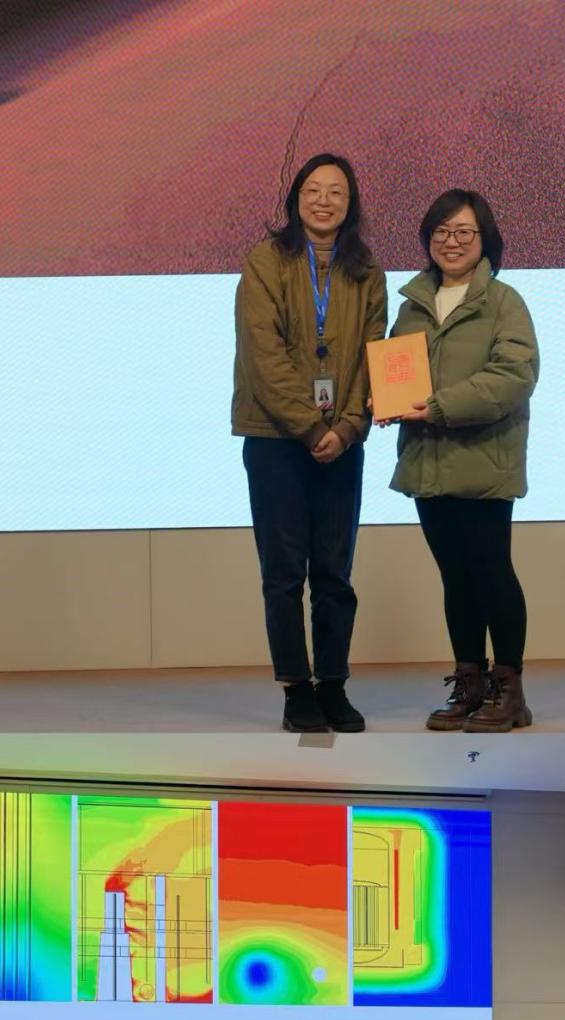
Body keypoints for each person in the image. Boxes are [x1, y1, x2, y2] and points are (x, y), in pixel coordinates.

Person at [233, 153, 386, 734]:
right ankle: (296, 690)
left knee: (334, 571)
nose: (324, 201)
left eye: (336, 192)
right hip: (274, 437)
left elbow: (375, 353)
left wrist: (347, 427)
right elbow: (263, 355)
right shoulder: (265, 261)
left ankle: (334, 686)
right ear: (296, 198)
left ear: (351, 203)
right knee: (282, 572)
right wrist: (310, 425)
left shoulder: (366, 269)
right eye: (314, 190)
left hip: (342, 440)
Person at [381, 189, 538, 732]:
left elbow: (513, 377)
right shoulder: (411, 306)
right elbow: (395, 373)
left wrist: (439, 406)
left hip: (483, 462)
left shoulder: (504, 302)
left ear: (484, 239)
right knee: (455, 578)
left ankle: (509, 691)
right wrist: (384, 400)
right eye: (442, 232)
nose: (451, 241)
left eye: (463, 232)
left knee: (492, 573)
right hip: (427, 464)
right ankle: (469, 684)